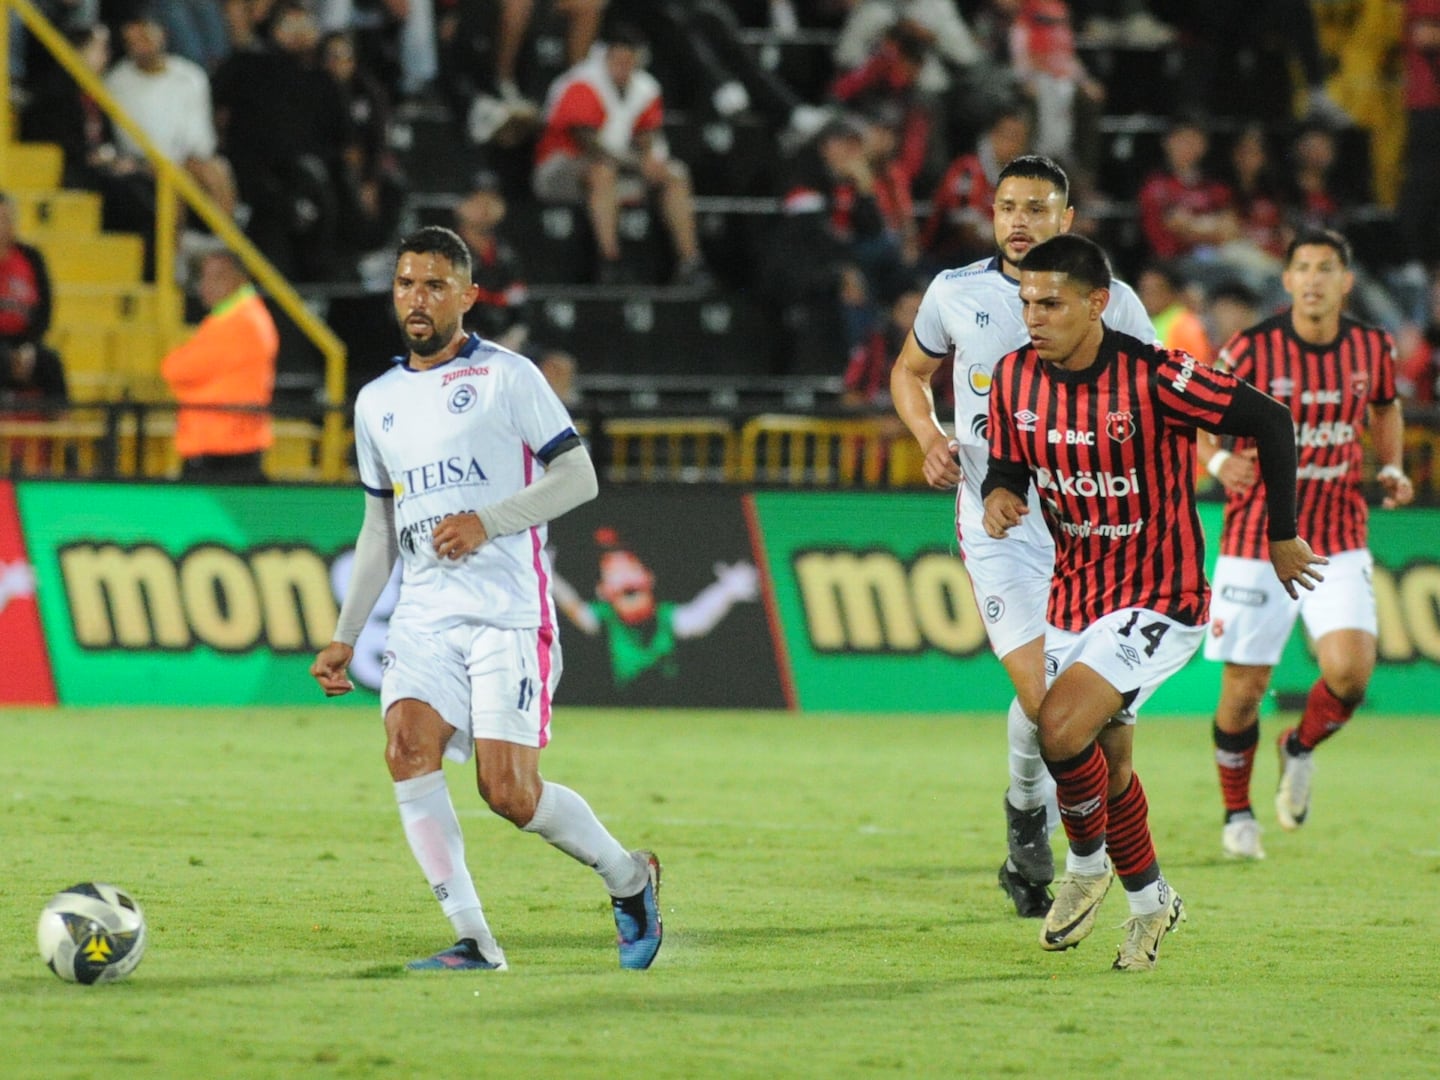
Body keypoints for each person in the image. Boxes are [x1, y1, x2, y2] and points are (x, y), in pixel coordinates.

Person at [308, 225, 662, 972]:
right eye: (406, 283)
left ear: (468, 296)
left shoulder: (509, 376)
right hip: (426, 615)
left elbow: (579, 478)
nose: (418, 297)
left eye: (435, 284)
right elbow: (379, 526)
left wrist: (488, 521)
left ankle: (628, 877)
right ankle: (474, 939)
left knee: (509, 793)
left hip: (508, 613)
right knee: (406, 749)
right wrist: (345, 634)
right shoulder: (376, 401)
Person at [983, 233, 1323, 969]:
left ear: (1098, 303)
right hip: (1075, 593)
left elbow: (1270, 419)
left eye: (1051, 303)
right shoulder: (1012, 377)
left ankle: (1083, 868)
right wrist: (1000, 490)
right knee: (1110, 768)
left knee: (1058, 725)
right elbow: (1009, 457)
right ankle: (1151, 903)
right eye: (1026, 303)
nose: (1033, 317)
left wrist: (1283, 533)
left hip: (1160, 597)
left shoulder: (1158, 376)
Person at [889, 155, 1157, 919]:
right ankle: (1036, 823)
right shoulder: (955, 292)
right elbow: (909, 374)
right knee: (1052, 703)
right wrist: (929, 435)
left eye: (1037, 209)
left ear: (1066, 220)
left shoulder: (1117, 303)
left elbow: (1158, 395)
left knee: (1080, 713)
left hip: (1092, 525)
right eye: (1007, 206)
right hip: (998, 525)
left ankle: (1033, 813)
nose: (1019, 221)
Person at [1198, 228, 1413, 860]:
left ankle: (1299, 748)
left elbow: (1384, 408)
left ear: (1345, 282)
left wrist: (1392, 465)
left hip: (1337, 533)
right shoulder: (1252, 349)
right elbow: (1193, 416)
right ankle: (1238, 813)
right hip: (1255, 536)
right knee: (1243, 688)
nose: (1314, 279)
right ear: (1287, 280)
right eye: (1303, 268)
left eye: (1327, 269)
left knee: (1349, 672)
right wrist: (1216, 466)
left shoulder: (1372, 346)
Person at [531, 23, 710, 286]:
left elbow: (647, 136)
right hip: (558, 171)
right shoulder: (583, 81)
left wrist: (651, 160)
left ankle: (691, 263)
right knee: (602, 171)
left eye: (630, 61)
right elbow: (588, 142)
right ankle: (610, 262)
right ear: (606, 56)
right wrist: (639, 164)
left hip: (618, 172)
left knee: (675, 174)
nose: (623, 66)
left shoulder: (645, 88)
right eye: (618, 59)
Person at [160, 250, 279, 482]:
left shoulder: (241, 322)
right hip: (221, 445)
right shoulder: (235, 318)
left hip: (225, 449)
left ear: (240, 279)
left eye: (218, 277)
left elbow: (175, 369)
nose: (206, 285)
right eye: (204, 277)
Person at [453, 184, 530, 352]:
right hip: (458, 338)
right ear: (460, 207)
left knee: (557, 366)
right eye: (477, 202)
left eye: (491, 202)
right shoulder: (446, 249)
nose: (485, 208)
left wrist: (514, 336)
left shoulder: (506, 254)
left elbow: (518, 302)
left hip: (502, 338)